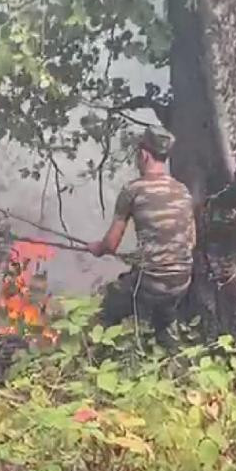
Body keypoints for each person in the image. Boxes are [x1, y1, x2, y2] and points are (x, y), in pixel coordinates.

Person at [87, 127, 196, 348]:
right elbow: (192, 241)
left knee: (108, 304)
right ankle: (170, 347)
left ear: (144, 155)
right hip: (182, 282)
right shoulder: (183, 191)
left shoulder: (133, 189)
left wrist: (97, 248)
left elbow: (111, 245)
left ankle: (98, 352)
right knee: (164, 315)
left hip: (152, 283)